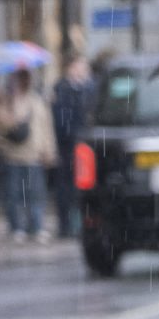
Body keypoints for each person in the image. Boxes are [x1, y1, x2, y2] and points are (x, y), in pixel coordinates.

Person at [0, 70, 54, 243]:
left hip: (34, 154)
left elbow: (46, 127)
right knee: (12, 194)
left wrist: (49, 150)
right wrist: (10, 110)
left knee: (35, 193)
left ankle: (36, 226)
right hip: (12, 154)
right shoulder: (6, 100)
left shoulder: (37, 101)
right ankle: (16, 227)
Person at [49, 55, 96, 243]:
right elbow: (60, 120)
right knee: (65, 187)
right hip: (67, 146)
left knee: (82, 188)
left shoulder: (90, 89)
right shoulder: (61, 90)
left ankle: (80, 224)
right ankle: (65, 225)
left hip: (84, 146)